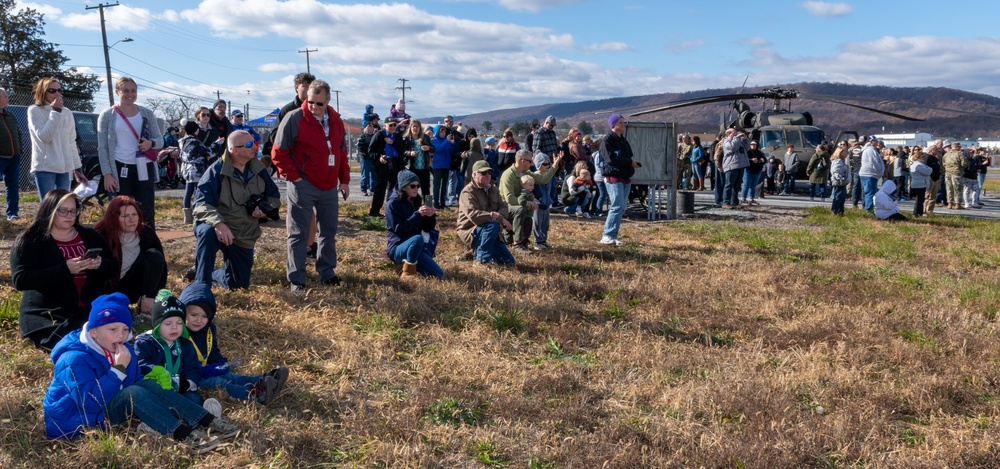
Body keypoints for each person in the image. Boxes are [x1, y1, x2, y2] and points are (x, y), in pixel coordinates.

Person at [42, 293, 236, 452]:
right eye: (112, 329)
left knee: (146, 385)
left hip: (107, 406)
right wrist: (118, 370)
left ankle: (206, 419)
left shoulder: (124, 348)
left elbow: (137, 381)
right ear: (93, 332)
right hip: (76, 421)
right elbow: (88, 403)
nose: (120, 335)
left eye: (125, 329)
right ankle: (183, 434)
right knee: (133, 392)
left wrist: (156, 399)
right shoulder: (73, 359)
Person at [11, 189, 118, 350]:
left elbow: (114, 269)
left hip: (89, 306)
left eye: (73, 210)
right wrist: (65, 270)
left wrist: (100, 264)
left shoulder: (89, 235)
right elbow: (21, 279)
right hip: (49, 311)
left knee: (112, 332)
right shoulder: (31, 240)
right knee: (74, 342)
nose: (69, 215)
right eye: (63, 211)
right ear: (49, 210)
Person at [271, 79, 350, 293]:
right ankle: (297, 278)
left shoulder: (335, 120)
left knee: (328, 231)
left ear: (328, 100)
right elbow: (278, 152)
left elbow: (341, 153)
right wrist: (294, 178)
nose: (313, 107)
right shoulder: (294, 118)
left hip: (328, 186)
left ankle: (327, 272)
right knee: (298, 233)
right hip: (303, 184)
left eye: (319, 103)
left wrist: (344, 180)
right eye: (310, 102)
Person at [194, 130, 280, 290]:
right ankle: (201, 285)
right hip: (218, 227)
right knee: (206, 232)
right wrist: (218, 224)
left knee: (238, 285)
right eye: (248, 145)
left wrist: (265, 209)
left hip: (243, 231)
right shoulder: (215, 171)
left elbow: (274, 195)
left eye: (254, 143)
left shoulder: (259, 169)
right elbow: (201, 205)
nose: (254, 147)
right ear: (234, 150)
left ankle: (212, 274)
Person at [179, 282, 287, 405]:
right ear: (183, 312)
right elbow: (182, 364)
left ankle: (263, 381)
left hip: (207, 367)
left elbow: (212, 350)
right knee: (219, 382)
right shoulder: (178, 332)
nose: (199, 320)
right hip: (191, 375)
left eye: (205, 316)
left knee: (230, 375)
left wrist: (220, 363)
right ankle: (253, 394)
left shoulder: (209, 329)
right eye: (193, 315)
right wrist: (205, 370)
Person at [97, 77, 164, 228]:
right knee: (121, 209)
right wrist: (107, 173)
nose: (130, 94)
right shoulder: (107, 115)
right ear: (117, 92)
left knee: (145, 209)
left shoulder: (146, 113)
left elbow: (160, 140)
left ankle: (148, 246)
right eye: (125, 90)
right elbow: (102, 147)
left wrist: (150, 143)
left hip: (144, 166)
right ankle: (121, 247)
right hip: (120, 168)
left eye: (133, 91)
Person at [93, 196, 166, 316]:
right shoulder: (101, 236)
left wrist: (157, 296)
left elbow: (161, 266)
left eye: (134, 214)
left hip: (134, 283)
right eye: (125, 216)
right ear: (114, 218)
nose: (131, 219)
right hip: (108, 287)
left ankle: (146, 304)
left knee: (154, 256)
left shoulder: (145, 232)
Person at [135, 290, 203, 405]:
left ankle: (204, 412)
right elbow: (139, 363)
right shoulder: (145, 343)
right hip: (155, 387)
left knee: (195, 399)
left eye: (179, 323)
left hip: (178, 388)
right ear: (157, 325)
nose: (174, 328)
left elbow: (193, 367)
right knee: (149, 401)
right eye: (168, 324)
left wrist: (188, 383)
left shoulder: (185, 344)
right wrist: (153, 371)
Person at [27, 77, 87, 198]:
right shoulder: (35, 110)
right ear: (42, 92)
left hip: (64, 170)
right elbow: (45, 137)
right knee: (48, 207)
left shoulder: (67, 112)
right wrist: (55, 112)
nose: (57, 93)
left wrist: (77, 168)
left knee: (63, 205)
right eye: (52, 91)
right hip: (45, 168)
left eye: (59, 90)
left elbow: (71, 142)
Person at [499, 149, 561, 252]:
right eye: (530, 161)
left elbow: (543, 179)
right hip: (506, 206)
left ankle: (523, 241)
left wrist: (554, 165)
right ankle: (517, 244)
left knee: (526, 211)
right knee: (521, 209)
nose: (532, 163)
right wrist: (528, 203)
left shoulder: (526, 173)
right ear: (522, 161)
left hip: (519, 204)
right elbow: (509, 198)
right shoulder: (508, 175)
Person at [386, 170, 444, 279]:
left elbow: (427, 228)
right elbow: (400, 231)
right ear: (403, 187)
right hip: (398, 247)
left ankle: (407, 264)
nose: (416, 189)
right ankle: (407, 273)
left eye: (418, 186)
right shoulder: (393, 204)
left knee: (439, 275)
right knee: (417, 239)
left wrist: (430, 216)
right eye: (412, 186)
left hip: (416, 248)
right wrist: (418, 214)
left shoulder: (416, 201)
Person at [457, 160, 515, 266]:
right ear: (474, 175)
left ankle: (475, 252)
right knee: (492, 225)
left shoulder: (493, 189)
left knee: (509, 262)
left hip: (491, 232)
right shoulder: (468, 192)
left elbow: (503, 206)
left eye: (489, 173)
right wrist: (499, 218)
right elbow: (474, 216)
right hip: (471, 230)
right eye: (483, 173)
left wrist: (499, 216)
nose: (487, 175)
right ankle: (481, 260)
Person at [601, 114, 638, 246]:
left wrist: (631, 163)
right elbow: (611, 159)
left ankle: (613, 235)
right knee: (617, 206)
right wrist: (629, 162)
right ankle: (607, 235)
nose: (623, 125)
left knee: (621, 207)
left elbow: (628, 156)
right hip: (613, 176)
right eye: (621, 122)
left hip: (624, 176)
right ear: (614, 125)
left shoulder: (623, 140)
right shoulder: (608, 140)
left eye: (623, 122)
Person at [264, 72, 315, 157]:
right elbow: (275, 136)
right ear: (297, 88)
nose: (308, 90)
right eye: (305, 86)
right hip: (293, 158)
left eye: (311, 87)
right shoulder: (287, 110)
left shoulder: (318, 109)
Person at [367, 119, 407, 216]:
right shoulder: (379, 135)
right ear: (385, 126)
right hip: (383, 164)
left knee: (394, 188)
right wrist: (379, 157)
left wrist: (392, 143)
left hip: (396, 163)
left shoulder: (397, 136)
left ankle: (391, 210)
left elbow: (402, 149)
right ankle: (374, 211)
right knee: (380, 187)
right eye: (390, 125)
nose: (393, 127)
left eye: (394, 125)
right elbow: (371, 151)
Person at [179, 121, 214, 225]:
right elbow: (208, 152)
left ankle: (187, 218)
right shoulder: (195, 141)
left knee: (188, 192)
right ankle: (197, 215)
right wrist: (218, 143)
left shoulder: (181, 141)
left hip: (186, 169)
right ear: (195, 130)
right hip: (197, 170)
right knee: (198, 193)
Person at [0, 88, 21, 220]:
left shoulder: (10, 115)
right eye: (5, 96)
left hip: (14, 156)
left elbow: (18, 133)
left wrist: (20, 150)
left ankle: (12, 213)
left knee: (12, 185)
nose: (8, 98)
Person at [402, 119, 433, 197]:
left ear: (420, 128)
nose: (415, 128)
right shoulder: (406, 138)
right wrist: (410, 153)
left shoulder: (425, 137)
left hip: (424, 168)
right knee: (411, 190)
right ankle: (412, 207)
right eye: (414, 126)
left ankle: (428, 207)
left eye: (417, 126)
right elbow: (402, 151)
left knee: (426, 189)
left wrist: (428, 148)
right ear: (410, 128)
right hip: (412, 169)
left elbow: (433, 148)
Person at [722, 129, 750, 208]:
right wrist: (736, 138)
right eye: (734, 132)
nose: (737, 133)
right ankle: (726, 202)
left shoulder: (737, 141)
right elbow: (733, 147)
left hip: (740, 165)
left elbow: (747, 148)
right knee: (729, 184)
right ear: (729, 134)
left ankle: (734, 202)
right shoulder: (726, 142)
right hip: (731, 166)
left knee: (736, 186)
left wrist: (745, 139)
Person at [430, 124, 455, 209]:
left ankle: (443, 203)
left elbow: (451, 152)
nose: (444, 133)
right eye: (441, 131)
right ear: (437, 132)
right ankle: (436, 203)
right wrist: (447, 142)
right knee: (437, 185)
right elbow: (438, 150)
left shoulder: (446, 141)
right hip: (437, 165)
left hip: (446, 165)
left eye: (444, 131)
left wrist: (452, 144)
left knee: (444, 185)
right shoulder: (434, 141)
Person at [859, 137, 884, 212]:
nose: (877, 143)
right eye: (876, 141)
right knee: (870, 192)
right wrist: (879, 171)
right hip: (869, 174)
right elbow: (874, 162)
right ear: (872, 142)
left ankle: (866, 207)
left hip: (868, 174)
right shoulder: (870, 150)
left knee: (866, 192)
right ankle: (868, 209)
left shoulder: (870, 149)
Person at [908, 147, 932, 217]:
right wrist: (930, 169)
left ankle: (918, 213)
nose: (924, 158)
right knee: (920, 200)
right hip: (920, 184)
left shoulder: (916, 164)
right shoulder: (918, 165)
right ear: (919, 157)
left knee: (920, 199)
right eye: (922, 156)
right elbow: (928, 172)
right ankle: (917, 213)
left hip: (918, 183)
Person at [941, 142, 966, 210]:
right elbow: (964, 164)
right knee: (957, 188)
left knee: (949, 188)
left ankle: (950, 203)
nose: (960, 148)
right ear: (956, 147)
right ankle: (958, 203)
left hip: (948, 173)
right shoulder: (959, 154)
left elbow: (943, 164)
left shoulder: (946, 154)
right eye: (959, 147)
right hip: (956, 173)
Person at [829, 144, 851, 215]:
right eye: (845, 152)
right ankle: (835, 210)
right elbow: (835, 170)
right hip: (839, 181)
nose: (846, 153)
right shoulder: (838, 161)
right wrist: (845, 168)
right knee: (838, 196)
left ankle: (840, 211)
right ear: (840, 152)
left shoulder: (842, 160)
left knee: (842, 196)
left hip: (842, 181)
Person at [742, 139, 766, 204]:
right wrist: (751, 160)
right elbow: (744, 160)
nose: (753, 146)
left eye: (754, 145)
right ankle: (743, 198)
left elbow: (764, 160)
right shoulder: (748, 152)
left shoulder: (760, 153)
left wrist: (761, 160)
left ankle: (751, 198)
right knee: (746, 185)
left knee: (753, 186)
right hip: (748, 170)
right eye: (752, 144)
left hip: (757, 171)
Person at [923, 143, 943, 215]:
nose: (937, 151)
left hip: (936, 179)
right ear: (931, 150)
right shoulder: (927, 157)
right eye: (935, 149)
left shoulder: (936, 158)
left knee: (933, 196)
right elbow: (925, 167)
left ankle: (930, 211)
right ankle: (924, 210)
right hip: (930, 178)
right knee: (927, 195)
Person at [357, 123, 376, 196]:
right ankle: (364, 189)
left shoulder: (375, 136)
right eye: (368, 126)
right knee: (365, 175)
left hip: (373, 159)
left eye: (371, 126)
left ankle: (372, 189)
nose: (369, 128)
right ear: (365, 128)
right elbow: (360, 148)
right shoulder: (362, 137)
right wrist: (368, 153)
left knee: (374, 175)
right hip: (365, 159)